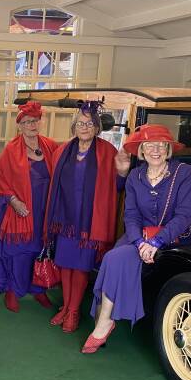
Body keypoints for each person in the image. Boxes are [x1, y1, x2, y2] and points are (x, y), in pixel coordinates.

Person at [83, 125, 191, 353]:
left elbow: (184, 215)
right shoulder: (135, 175)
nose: (156, 150)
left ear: (168, 149)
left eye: (161, 145)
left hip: (171, 239)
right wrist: (140, 242)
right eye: (150, 145)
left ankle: (103, 322)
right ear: (141, 150)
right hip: (138, 238)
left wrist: (156, 242)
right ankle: (105, 321)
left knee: (114, 259)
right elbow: (131, 215)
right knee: (112, 258)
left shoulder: (183, 172)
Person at [44, 102, 131, 333]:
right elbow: (54, 186)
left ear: (97, 128)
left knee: (81, 266)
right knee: (65, 263)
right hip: (65, 220)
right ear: (74, 126)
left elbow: (116, 188)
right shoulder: (62, 151)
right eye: (81, 123)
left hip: (90, 221)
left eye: (90, 123)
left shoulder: (107, 152)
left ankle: (73, 311)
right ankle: (66, 306)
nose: (85, 127)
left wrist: (122, 172)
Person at [0, 101, 58, 313]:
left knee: (41, 248)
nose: (32, 125)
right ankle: (13, 290)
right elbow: (0, 179)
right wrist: (13, 201)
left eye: (35, 120)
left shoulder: (51, 146)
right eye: (27, 122)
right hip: (20, 209)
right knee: (19, 251)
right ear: (20, 125)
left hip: (44, 209)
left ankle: (38, 288)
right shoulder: (11, 150)